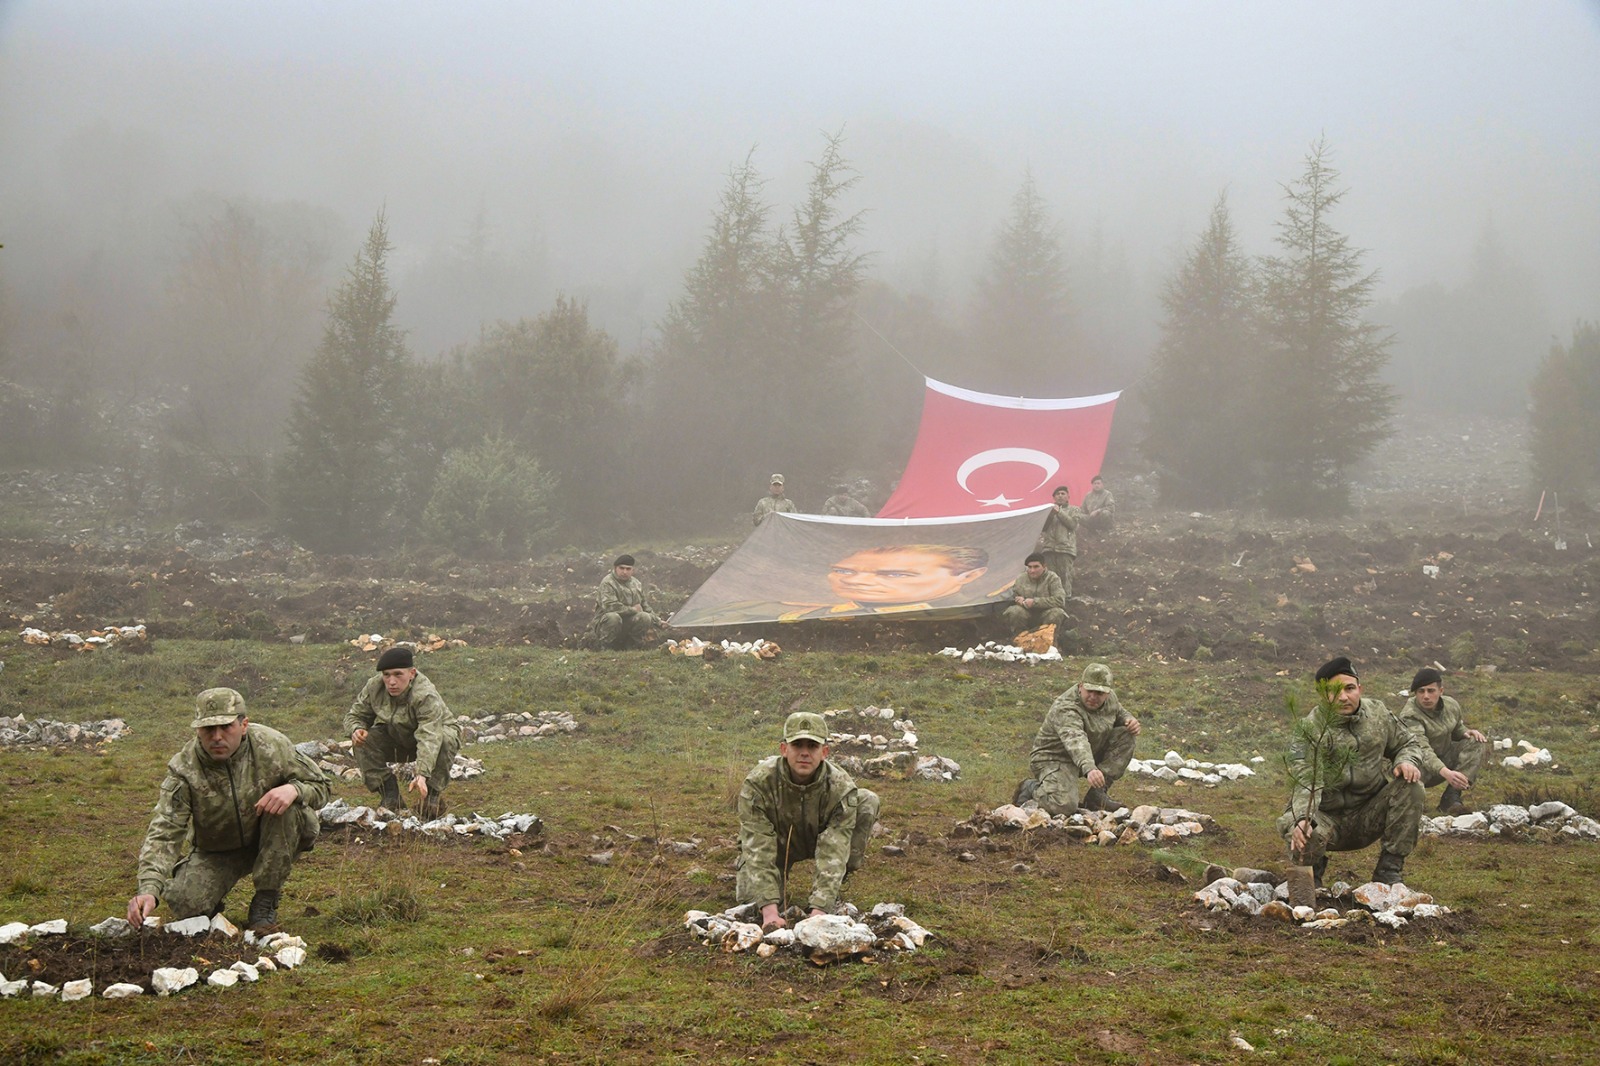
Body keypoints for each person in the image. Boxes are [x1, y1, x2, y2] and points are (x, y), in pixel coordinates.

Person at [127, 688, 329, 931]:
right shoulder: (184, 768)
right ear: (197, 730)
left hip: (272, 835)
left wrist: (294, 790)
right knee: (185, 903)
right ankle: (211, 897)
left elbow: (321, 786)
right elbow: (165, 829)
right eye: (208, 729)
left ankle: (266, 898)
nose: (217, 737)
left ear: (244, 725)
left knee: (286, 809)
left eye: (226, 727)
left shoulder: (272, 745)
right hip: (218, 850)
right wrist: (148, 888)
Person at [1276, 656, 1427, 886]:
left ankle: (1389, 869)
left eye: (1349, 688)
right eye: (1335, 691)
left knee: (1412, 787)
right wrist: (1303, 818)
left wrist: (1406, 761)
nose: (1344, 697)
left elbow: (1408, 743)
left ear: (1360, 688)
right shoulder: (1309, 729)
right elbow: (1305, 779)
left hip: (1369, 814)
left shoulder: (1378, 714)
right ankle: (1311, 874)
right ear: (1323, 694)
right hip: (1326, 817)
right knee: (1304, 828)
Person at [737, 711, 881, 932]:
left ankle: (833, 886)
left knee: (867, 800)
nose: (804, 753)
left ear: (824, 752)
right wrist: (770, 912)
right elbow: (757, 844)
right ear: (784, 749)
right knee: (750, 901)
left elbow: (835, 847)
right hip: (778, 843)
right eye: (798, 745)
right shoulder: (758, 784)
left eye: (812, 746)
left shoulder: (841, 787)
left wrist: (819, 912)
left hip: (819, 839)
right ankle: (774, 889)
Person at [343, 646, 461, 819]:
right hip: (396, 736)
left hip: (433, 739)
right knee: (363, 740)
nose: (391, 681)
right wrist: (356, 729)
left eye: (398, 674)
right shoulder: (374, 687)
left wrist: (421, 773)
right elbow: (355, 715)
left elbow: (430, 735)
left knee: (445, 739)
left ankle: (432, 796)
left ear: (412, 673)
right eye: (386, 675)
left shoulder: (425, 694)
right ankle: (390, 795)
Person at [1017, 663, 1141, 815]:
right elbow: (1075, 740)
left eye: (1099, 693)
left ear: (1108, 693)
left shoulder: (1110, 699)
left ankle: (1097, 794)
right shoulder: (1066, 707)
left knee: (1126, 735)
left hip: (1090, 749)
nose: (1093, 697)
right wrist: (1090, 768)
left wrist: (1129, 720)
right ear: (1081, 686)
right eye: (1089, 691)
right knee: (1064, 806)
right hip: (1055, 758)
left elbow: (1118, 711)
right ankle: (1031, 788)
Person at [1398, 667, 1487, 815]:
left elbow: (1456, 727)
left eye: (1431, 691)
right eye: (1421, 691)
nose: (1426, 696)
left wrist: (1466, 732)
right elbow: (1422, 750)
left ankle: (1451, 796)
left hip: (1444, 757)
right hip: (1419, 768)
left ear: (1441, 691)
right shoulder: (1410, 716)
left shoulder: (1451, 705)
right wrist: (1447, 773)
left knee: (1476, 741)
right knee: (1409, 794)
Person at [592, 554, 661, 649]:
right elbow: (610, 606)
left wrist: (658, 622)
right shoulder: (608, 583)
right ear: (615, 568)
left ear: (633, 570)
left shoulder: (636, 583)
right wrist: (633, 609)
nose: (624, 572)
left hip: (627, 622)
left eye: (628, 569)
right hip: (606, 625)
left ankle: (632, 647)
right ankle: (606, 648)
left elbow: (644, 606)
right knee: (613, 617)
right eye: (621, 568)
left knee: (645, 617)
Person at [1000, 552, 1068, 633]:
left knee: (1057, 613)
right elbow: (1011, 596)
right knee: (1014, 611)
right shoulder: (1021, 578)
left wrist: (1035, 602)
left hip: (1046, 614)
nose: (1032, 570)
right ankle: (1019, 639)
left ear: (1044, 566)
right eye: (1030, 567)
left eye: (1036, 567)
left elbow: (1060, 600)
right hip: (1026, 614)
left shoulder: (1053, 578)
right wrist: (1018, 600)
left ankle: (1048, 641)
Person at [1037, 485, 1081, 595]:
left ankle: (1066, 600)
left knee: (1065, 576)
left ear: (1068, 496)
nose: (1060, 496)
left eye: (1063, 494)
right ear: (1054, 497)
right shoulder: (1048, 511)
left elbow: (1072, 525)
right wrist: (1050, 515)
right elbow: (1042, 528)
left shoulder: (1074, 509)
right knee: (1050, 578)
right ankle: (1053, 601)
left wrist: (1059, 512)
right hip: (1049, 549)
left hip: (1065, 549)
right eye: (1058, 494)